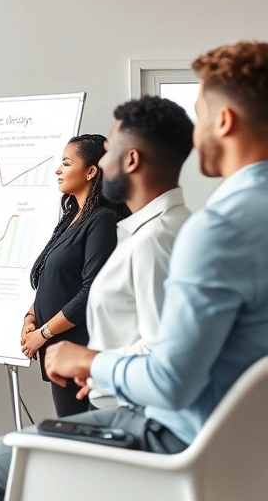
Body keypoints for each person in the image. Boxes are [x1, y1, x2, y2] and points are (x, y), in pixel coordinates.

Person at [0, 41, 268, 501]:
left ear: (223, 122)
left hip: (174, 434)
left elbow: (169, 381)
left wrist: (86, 359)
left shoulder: (213, 230)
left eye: (201, 113)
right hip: (232, 443)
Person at [84, 97, 193, 409]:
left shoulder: (154, 240)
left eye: (109, 152)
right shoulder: (171, 226)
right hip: (123, 401)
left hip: (131, 411)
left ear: (131, 160)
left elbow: (161, 350)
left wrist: (87, 361)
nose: (102, 164)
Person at [20, 134, 130, 416]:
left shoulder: (102, 220)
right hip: (57, 349)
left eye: (66, 163)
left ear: (91, 171)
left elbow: (91, 292)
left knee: (79, 438)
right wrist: (31, 317)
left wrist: (43, 333)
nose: (58, 170)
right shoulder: (71, 219)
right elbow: (55, 278)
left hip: (79, 349)